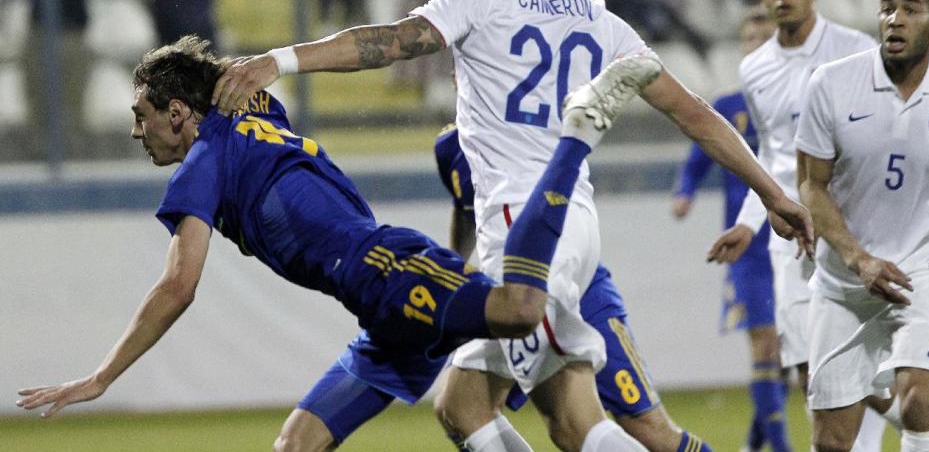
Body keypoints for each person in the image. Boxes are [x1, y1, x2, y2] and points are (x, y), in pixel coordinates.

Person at [212, 0, 812, 452]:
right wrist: (772, 193)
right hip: (573, 224)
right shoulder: (598, 19)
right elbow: (696, 114)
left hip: (525, 234)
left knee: (575, 424)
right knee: (462, 404)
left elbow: (392, 42)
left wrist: (280, 61)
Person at [15, 34, 607, 452]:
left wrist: (102, 376)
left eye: (141, 115)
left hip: (385, 268)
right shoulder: (257, 108)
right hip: (375, 306)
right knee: (304, 442)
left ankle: (573, 142)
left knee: (518, 312)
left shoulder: (202, 161)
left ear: (177, 113)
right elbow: (231, 89)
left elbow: (178, 284)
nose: (135, 131)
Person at [706, 0, 891, 450]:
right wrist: (749, 223)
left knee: (856, 362)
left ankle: (908, 427)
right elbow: (770, 154)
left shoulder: (854, 50)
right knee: (812, 372)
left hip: (848, 228)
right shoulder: (755, 69)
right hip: (789, 241)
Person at [437, 123, 713, 452]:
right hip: (509, 282)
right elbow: (466, 213)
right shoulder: (452, 144)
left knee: (645, 429)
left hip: (569, 277)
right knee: (459, 407)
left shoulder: (526, 115)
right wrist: (451, 282)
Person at [795, 0, 929, 452]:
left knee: (919, 402)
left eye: (910, 9)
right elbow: (811, 184)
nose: (895, 19)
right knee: (831, 443)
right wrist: (856, 257)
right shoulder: (832, 84)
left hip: (923, 271)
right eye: (888, 8)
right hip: (844, 283)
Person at [671, 7, 787, 452]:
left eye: (764, 39)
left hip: (793, 242)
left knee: (785, 353)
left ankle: (755, 444)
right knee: (764, 341)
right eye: (749, 40)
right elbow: (698, 159)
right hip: (747, 248)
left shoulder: (796, 103)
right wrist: (685, 191)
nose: (755, 46)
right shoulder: (727, 107)